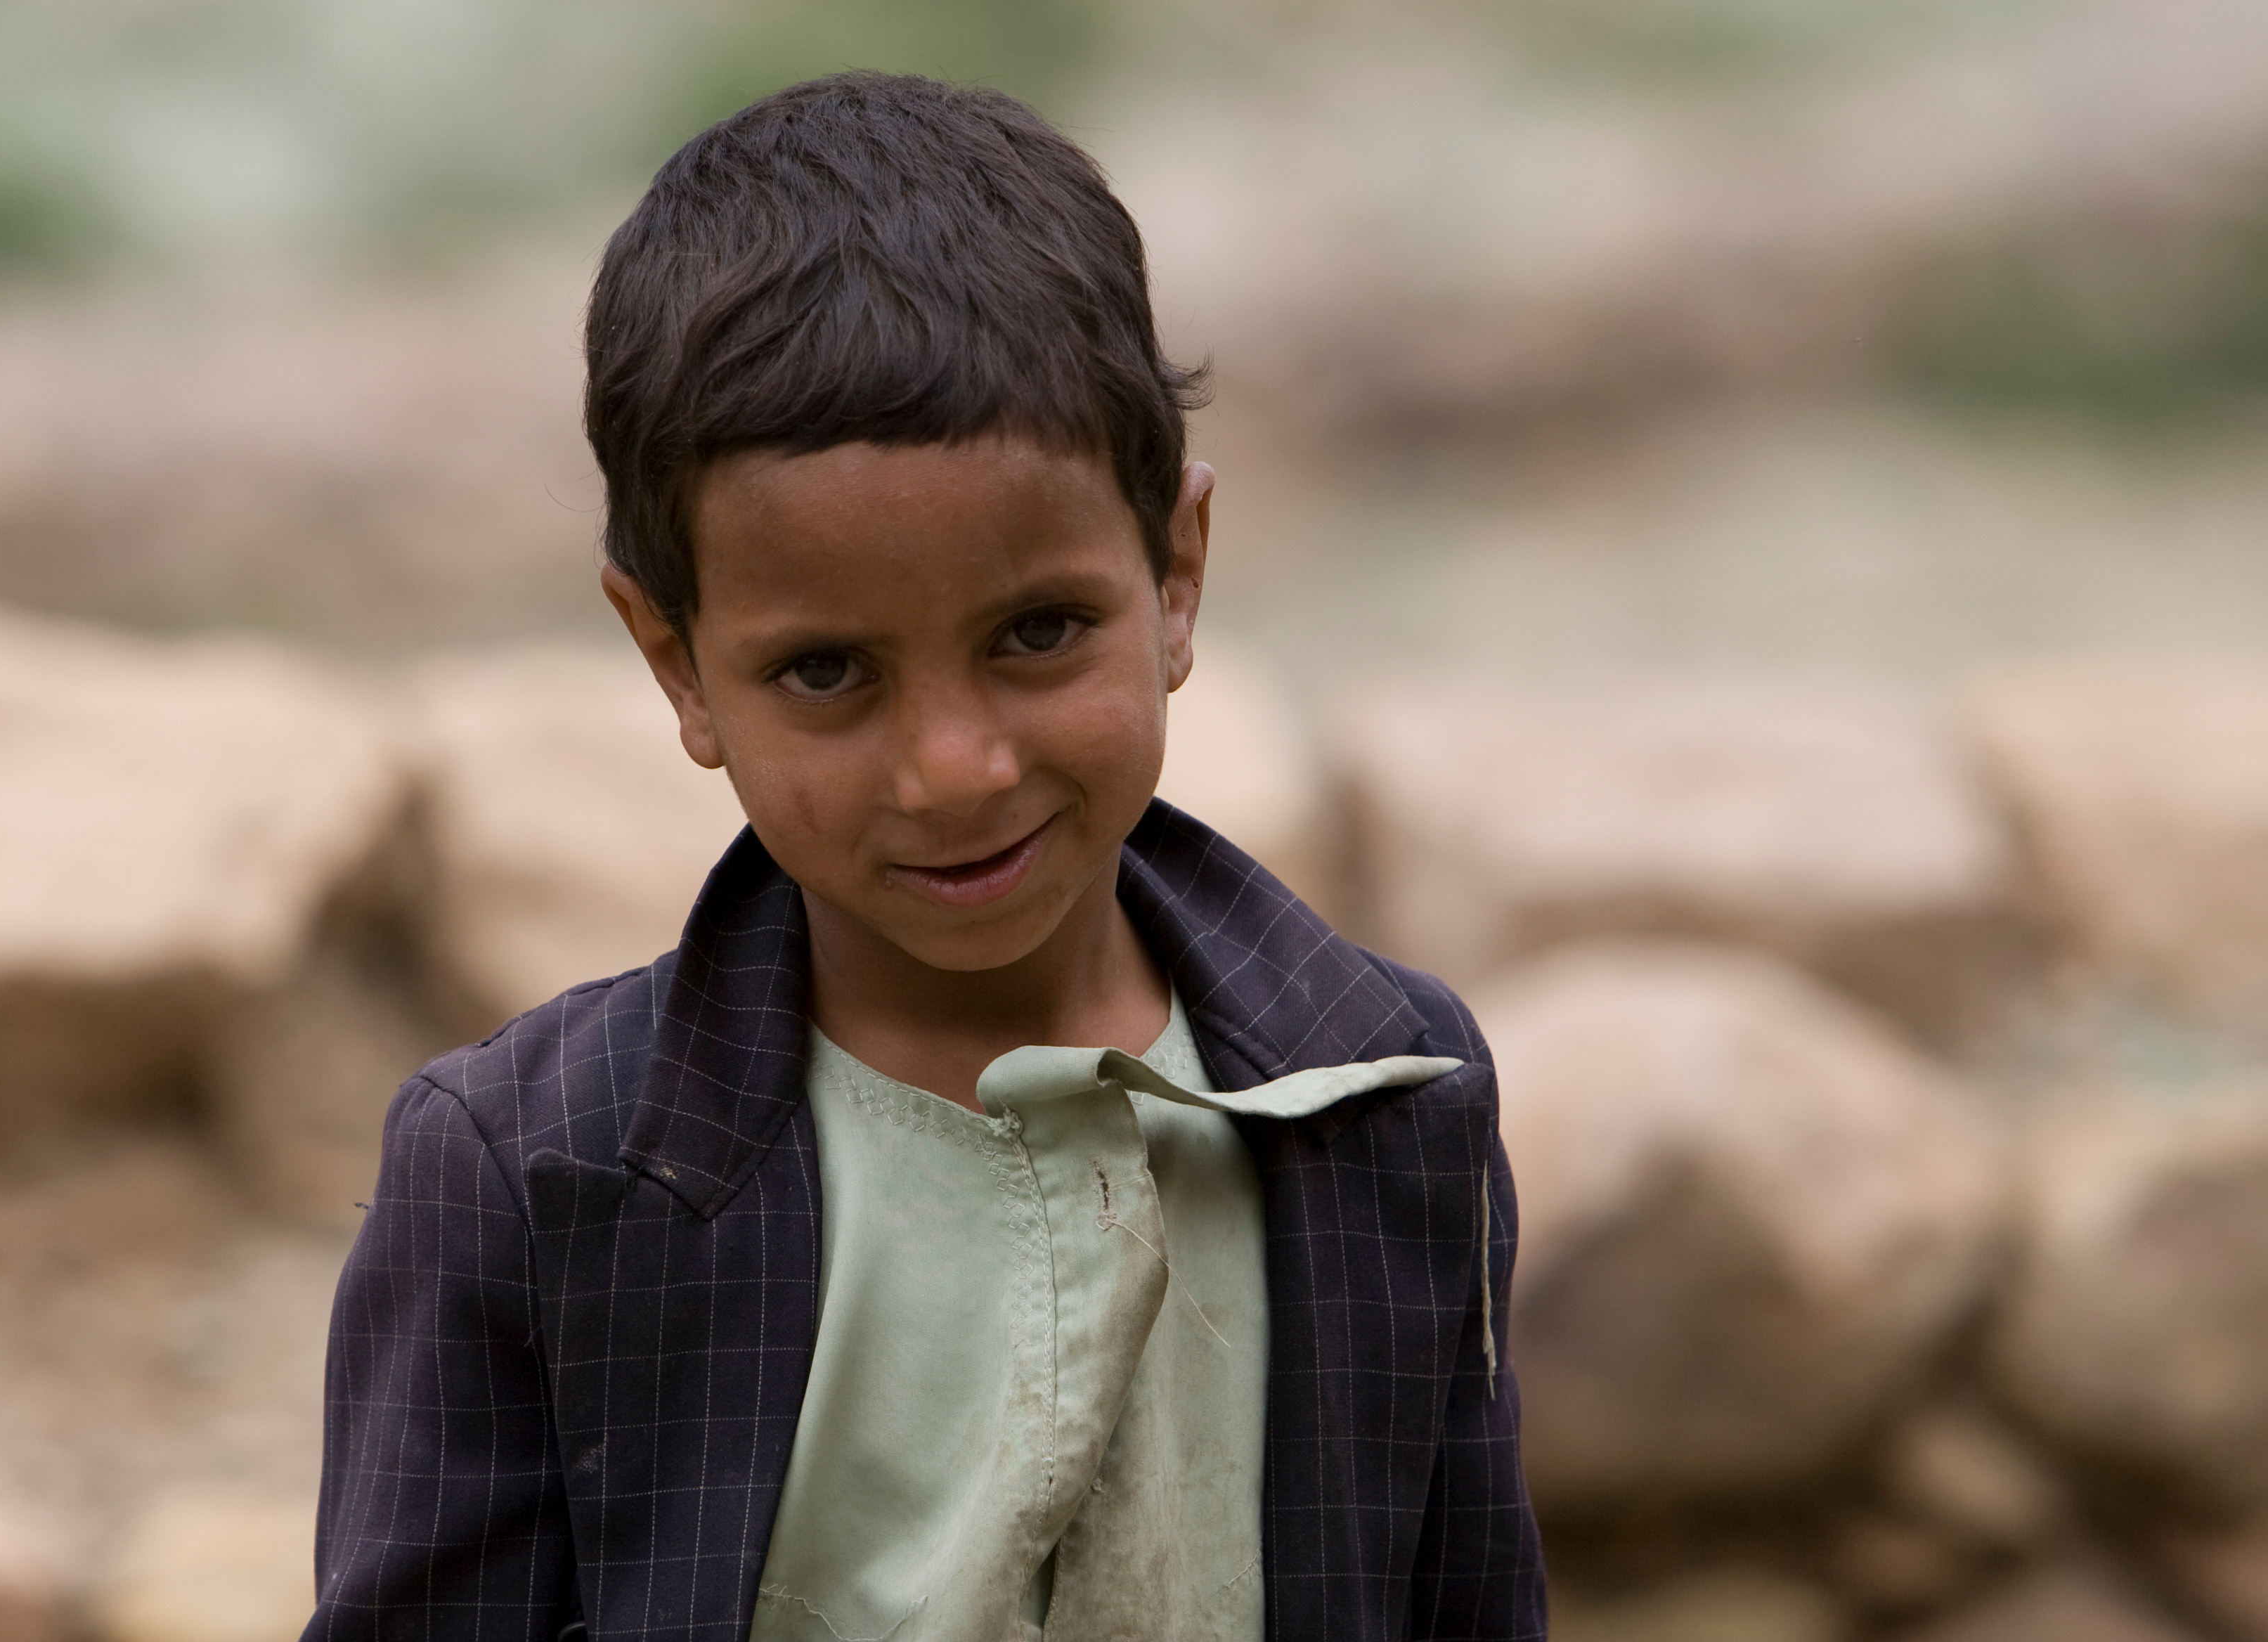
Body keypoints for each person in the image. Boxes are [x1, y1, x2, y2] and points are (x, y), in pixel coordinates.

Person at [304, 71, 1543, 1642]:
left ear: (1176, 574)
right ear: (678, 662)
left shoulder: (1390, 1101)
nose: (957, 768)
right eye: (828, 670)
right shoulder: (535, 1186)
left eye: (1037, 632)